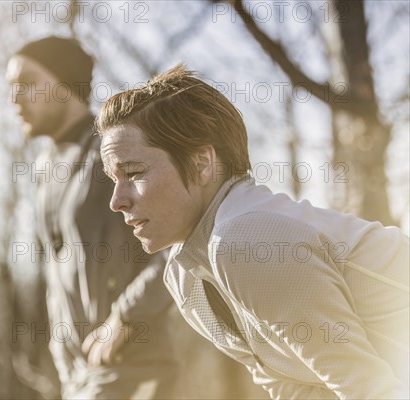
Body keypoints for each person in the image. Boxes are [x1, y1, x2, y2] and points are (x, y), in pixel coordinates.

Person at [97, 64, 410, 399]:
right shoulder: (184, 277)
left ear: (203, 164)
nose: (117, 201)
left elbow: (370, 389)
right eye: (113, 180)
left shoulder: (246, 238)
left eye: (134, 173)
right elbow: (294, 389)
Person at [5, 36, 181, 399]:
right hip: (79, 376)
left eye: (27, 83)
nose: (15, 98)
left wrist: (125, 317)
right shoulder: (43, 167)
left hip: (134, 365)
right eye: (11, 87)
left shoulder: (114, 149)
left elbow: (177, 243)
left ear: (65, 83)